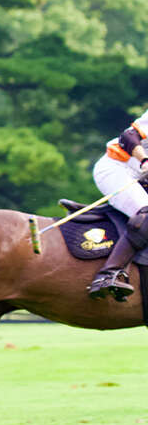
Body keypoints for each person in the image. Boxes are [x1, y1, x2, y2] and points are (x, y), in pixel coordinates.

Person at [88, 110, 148, 300]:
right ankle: (108, 275)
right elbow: (128, 137)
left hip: (141, 179)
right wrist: (145, 160)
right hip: (117, 168)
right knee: (146, 215)